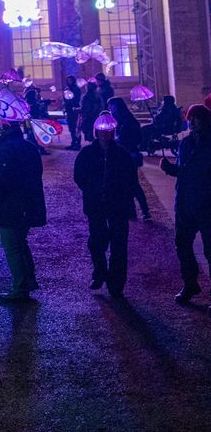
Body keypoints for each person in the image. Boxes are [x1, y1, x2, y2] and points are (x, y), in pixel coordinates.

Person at [0, 122, 46, 303]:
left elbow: (2, 179)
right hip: (26, 204)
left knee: (12, 246)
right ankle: (28, 280)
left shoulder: (7, 148)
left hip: (12, 205)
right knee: (19, 243)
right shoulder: (28, 147)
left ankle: (20, 287)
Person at [73, 113, 137, 298]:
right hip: (96, 205)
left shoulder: (121, 154)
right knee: (96, 241)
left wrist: (123, 194)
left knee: (118, 244)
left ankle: (116, 282)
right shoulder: (87, 153)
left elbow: (131, 178)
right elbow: (79, 175)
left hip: (117, 205)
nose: (105, 134)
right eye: (102, 131)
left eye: (108, 131)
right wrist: (91, 190)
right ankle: (100, 272)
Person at [161, 104, 211, 303]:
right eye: (189, 118)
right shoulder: (186, 143)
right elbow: (183, 171)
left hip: (207, 204)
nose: (191, 122)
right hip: (184, 202)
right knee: (182, 244)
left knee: (210, 250)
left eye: (195, 118)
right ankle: (190, 284)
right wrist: (169, 168)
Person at [107, 96, 150, 219]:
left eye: (112, 106)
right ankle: (132, 211)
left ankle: (144, 210)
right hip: (123, 155)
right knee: (127, 183)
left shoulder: (128, 121)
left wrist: (119, 140)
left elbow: (134, 139)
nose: (110, 109)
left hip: (129, 155)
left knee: (133, 184)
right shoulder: (120, 120)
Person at [63, 75, 83, 150]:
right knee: (71, 127)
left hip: (75, 110)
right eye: (68, 80)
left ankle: (77, 143)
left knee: (76, 127)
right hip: (69, 110)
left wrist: (71, 101)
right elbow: (65, 99)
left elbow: (76, 99)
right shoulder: (67, 89)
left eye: (70, 80)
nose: (69, 82)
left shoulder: (76, 89)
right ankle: (73, 142)